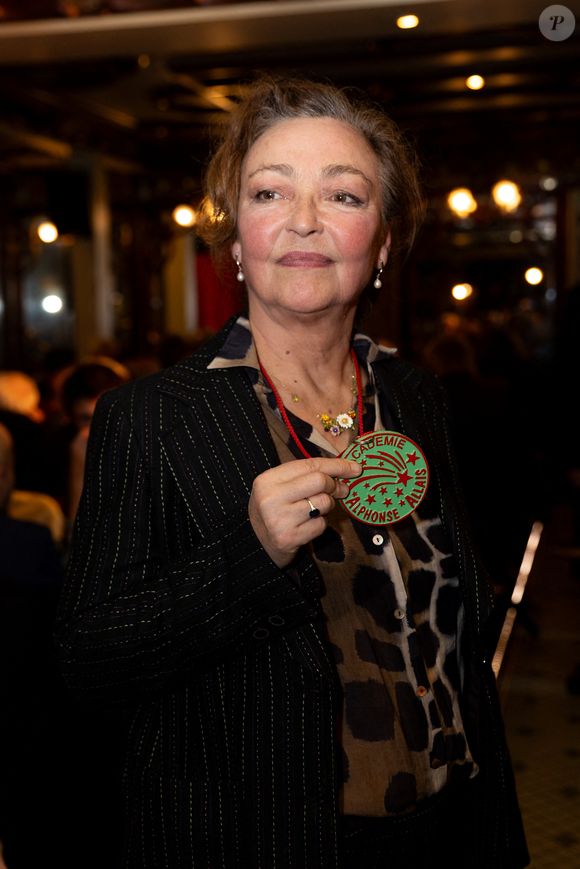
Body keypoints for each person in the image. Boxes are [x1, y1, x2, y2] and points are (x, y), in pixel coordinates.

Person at [56, 76, 528, 868]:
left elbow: (461, 642)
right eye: (271, 191)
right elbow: (88, 661)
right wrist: (248, 555)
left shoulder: (415, 398)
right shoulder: (150, 418)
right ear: (236, 239)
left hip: (450, 829)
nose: (304, 219)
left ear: (381, 244)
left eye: (343, 196)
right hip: (264, 841)